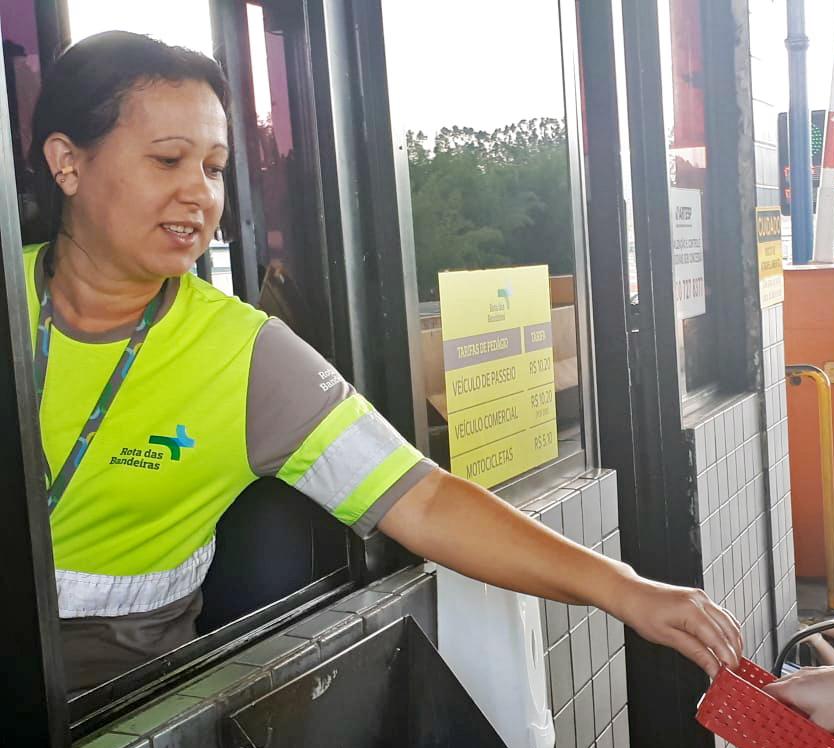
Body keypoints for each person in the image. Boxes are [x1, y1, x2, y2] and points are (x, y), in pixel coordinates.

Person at [25, 31, 742, 691]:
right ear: (68, 163)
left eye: (214, 168)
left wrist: (621, 588)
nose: (200, 194)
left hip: (105, 712)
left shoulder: (243, 354)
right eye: (167, 160)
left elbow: (423, 498)